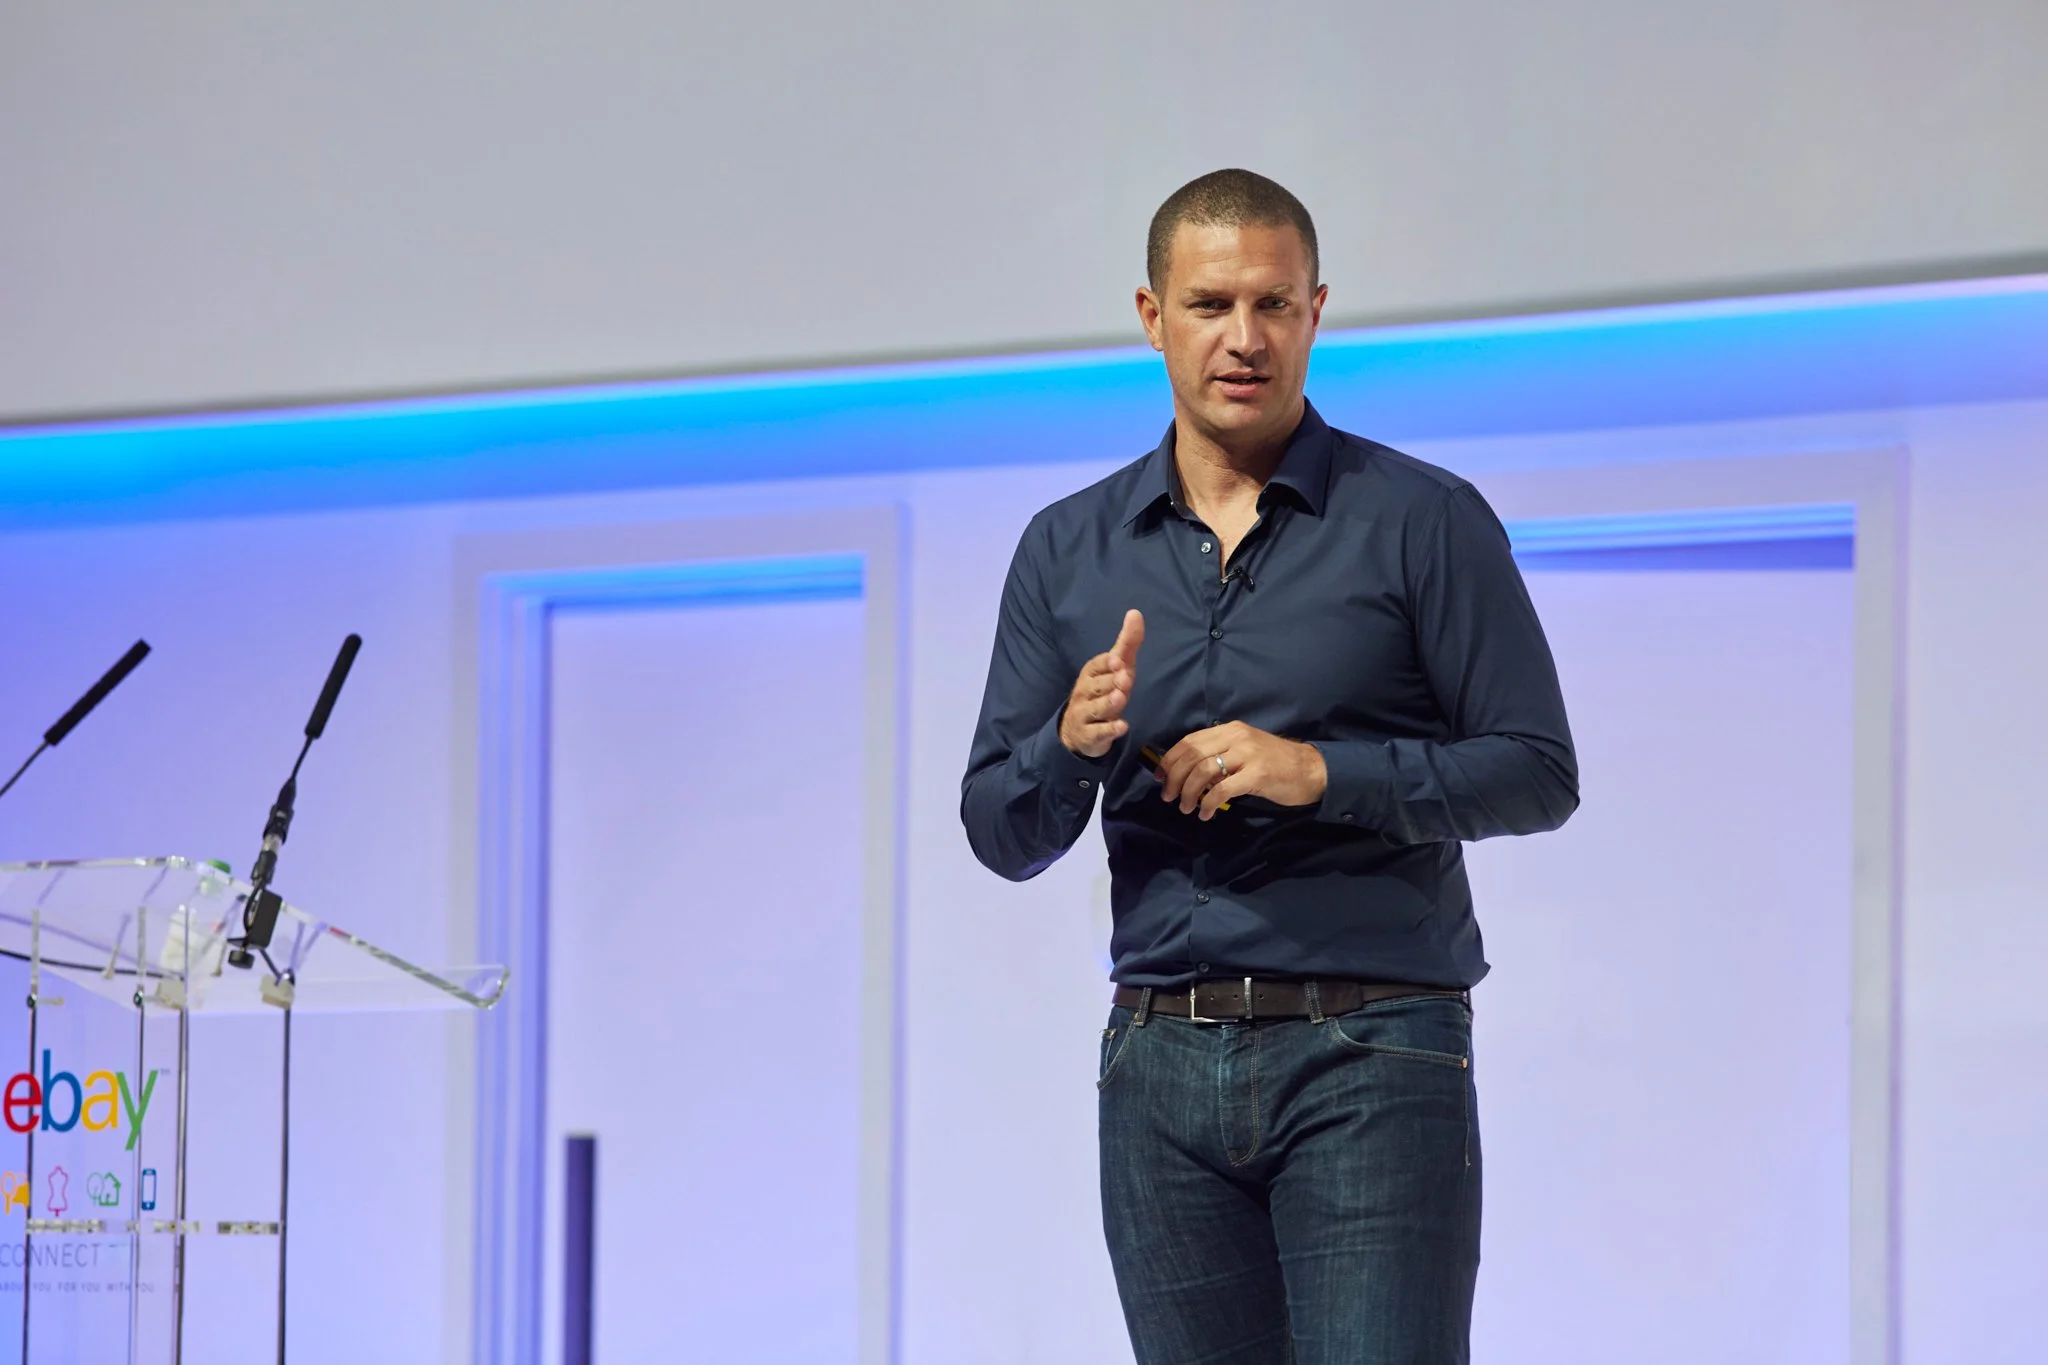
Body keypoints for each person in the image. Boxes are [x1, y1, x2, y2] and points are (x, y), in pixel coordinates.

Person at [959, 169, 1579, 1364]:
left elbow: (1533, 771)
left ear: (1314, 311)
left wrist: (1319, 774)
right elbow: (999, 829)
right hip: (1155, 1060)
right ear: (1152, 316)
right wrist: (1068, 746)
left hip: (1372, 1050)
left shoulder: (1421, 518)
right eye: (1208, 305)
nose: (1242, 338)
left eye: (1272, 304)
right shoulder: (1066, 548)